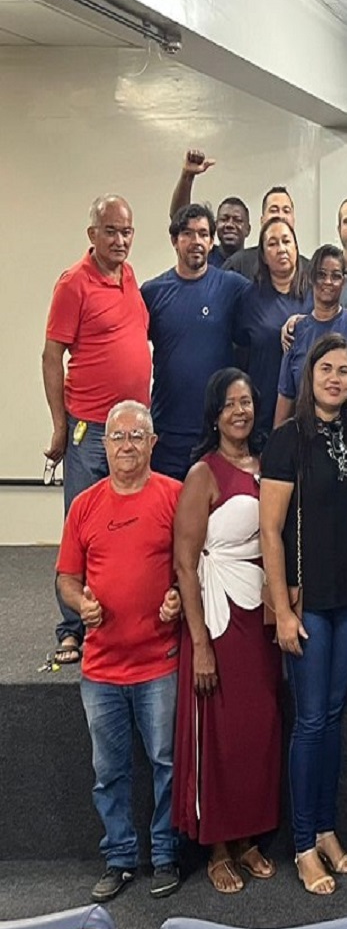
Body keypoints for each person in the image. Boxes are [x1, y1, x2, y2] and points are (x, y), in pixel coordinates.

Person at [260, 333, 347, 896]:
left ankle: (326, 828)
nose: (336, 379)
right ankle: (304, 844)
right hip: (306, 603)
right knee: (309, 722)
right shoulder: (286, 441)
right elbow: (270, 532)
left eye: (345, 372)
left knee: (333, 717)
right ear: (309, 376)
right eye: (326, 369)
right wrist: (281, 608)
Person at [56, 400, 183, 903]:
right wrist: (78, 601)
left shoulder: (174, 497)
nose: (126, 445)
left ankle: (167, 853)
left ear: (153, 444)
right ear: (103, 445)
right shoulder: (85, 505)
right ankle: (120, 857)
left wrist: (177, 593)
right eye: (117, 436)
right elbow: (67, 577)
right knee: (108, 772)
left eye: (137, 435)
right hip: (102, 667)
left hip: (160, 660)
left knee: (165, 762)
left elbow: (193, 564)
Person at [170, 369, 281, 894]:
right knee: (218, 733)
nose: (241, 411)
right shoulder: (203, 474)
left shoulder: (266, 466)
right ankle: (217, 846)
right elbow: (186, 565)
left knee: (256, 731)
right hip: (216, 622)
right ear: (214, 414)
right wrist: (200, 647)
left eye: (247, 401)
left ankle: (249, 837)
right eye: (230, 404)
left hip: (257, 614)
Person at [44, 195, 152, 665]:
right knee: (82, 526)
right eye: (111, 231)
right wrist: (58, 426)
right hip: (89, 431)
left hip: (134, 431)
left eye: (126, 232)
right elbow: (52, 357)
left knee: (127, 529)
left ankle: (115, 623)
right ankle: (71, 628)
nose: (120, 240)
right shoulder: (73, 284)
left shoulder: (129, 278)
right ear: (93, 235)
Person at [142, 203, 251, 480]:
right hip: (168, 432)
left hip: (218, 434)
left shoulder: (233, 287)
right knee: (169, 518)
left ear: (212, 241)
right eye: (188, 234)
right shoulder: (152, 293)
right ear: (174, 240)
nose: (196, 241)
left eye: (203, 234)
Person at [275, 245, 347, 430]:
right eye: (321, 275)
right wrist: (277, 447)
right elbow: (286, 395)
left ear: (344, 281)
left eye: (336, 276)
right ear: (311, 278)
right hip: (304, 439)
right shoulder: (295, 330)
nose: (328, 281)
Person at [235, 219, 311, 437]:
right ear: (263, 256)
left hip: (308, 412)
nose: (281, 249)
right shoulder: (249, 298)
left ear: (296, 248)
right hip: (263, 410)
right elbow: (240, 350)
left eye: (286, 241)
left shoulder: (314, 294)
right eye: (273, 243)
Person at [167, 149, 250, 267]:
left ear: (248, 229)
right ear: (215, 226)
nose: (230, 225)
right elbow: (179, 218)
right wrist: (187, 176)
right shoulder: (203, 255)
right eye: (224, 219)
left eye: (237, 220)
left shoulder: (255, 262)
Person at [224, 186, 297, 280]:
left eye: (286, 211)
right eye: (274, 210)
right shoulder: (237, 265)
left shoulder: (310, 270)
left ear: (293, 220)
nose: (280, 216)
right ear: (262, 220)